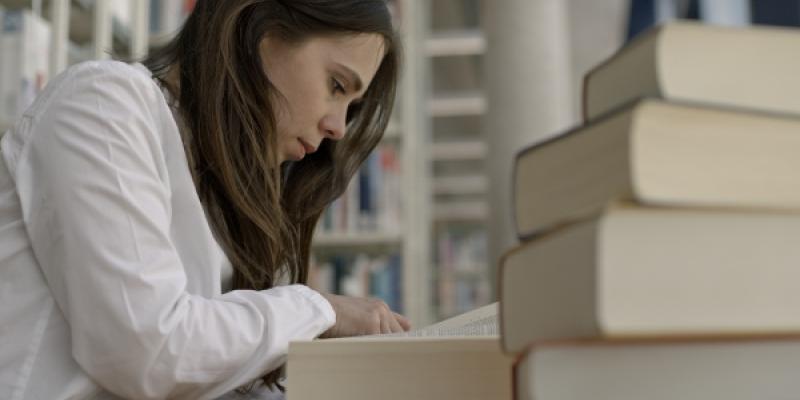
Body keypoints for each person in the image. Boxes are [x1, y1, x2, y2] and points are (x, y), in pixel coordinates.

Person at [0, 0, 410, 399]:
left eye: (351, 106)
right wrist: (322, 310)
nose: (338, 128)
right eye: (336, 85)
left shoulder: (228, 184)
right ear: (261, 30)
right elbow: (150, 352)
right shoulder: (105, 105)